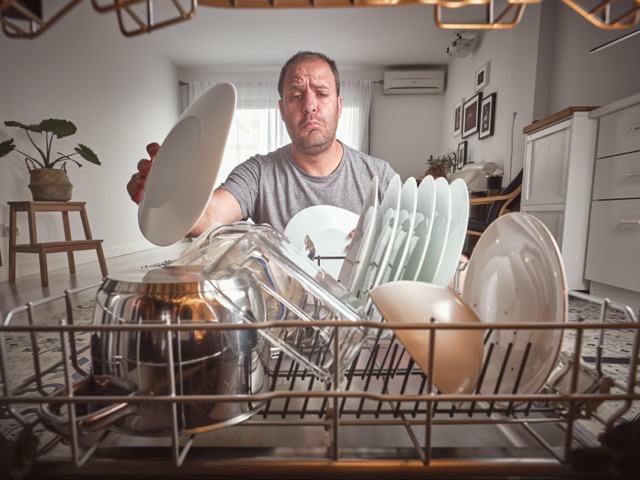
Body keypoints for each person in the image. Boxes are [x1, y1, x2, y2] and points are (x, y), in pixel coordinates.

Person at [127, 51, 396, 238]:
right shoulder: (258, 173)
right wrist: (172, 196)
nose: (309, 106)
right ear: (282, 109)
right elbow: (209, 215)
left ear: (339, 107)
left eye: (322, 93)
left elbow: (414, 238)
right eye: (296, 95)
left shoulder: (380, 176)